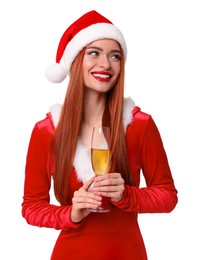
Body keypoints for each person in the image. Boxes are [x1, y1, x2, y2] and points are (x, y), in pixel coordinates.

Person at [22, 10, 178, 260]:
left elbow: (168, 196)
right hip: (70, 252)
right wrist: (70, 214)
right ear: (75, 61)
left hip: (127, 252)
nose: (106, 63)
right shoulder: (46, 132)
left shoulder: (140, 125)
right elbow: (31, 207)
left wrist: (127, 195)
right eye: (94, 53)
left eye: (115, 56)